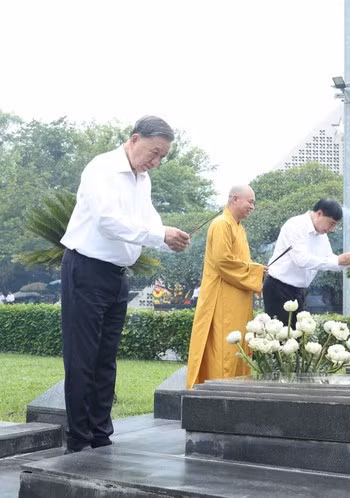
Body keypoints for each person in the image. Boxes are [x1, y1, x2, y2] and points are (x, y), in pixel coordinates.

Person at [60, 116, 190, 454]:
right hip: (86, 269)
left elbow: (148, 220)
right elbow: (107, 221)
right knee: (82, 357)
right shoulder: (101, 168)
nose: (156, 161)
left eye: (162, 156)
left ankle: (100, 432)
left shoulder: (141, 179)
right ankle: (78, 438)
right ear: (134, 140)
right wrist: (159, 235)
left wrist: (168, 238)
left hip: (116, 275)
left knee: (106, 358)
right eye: (154, 152)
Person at [186, 185, 266, 389]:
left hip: (238, 297)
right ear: (235, 199)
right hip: (223, 298)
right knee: (225, 350)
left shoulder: (238, 227)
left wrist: (256, 273)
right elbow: (223, 262)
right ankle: (220, 393)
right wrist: (255, 272)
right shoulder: (221, 224)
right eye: (250, 201)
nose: (253, 207)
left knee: (239, 348)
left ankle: (237, 391)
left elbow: (240, 261)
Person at [263, 198, 350, 328]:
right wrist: (337, 260)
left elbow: (330, 259)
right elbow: (301, 260)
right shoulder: (295, 225)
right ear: (319, 213)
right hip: (278, 287)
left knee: (297, 337)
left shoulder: (321, 235)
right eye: (331, 223)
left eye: (335, 225)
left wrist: (347, 260)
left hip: (299, 291)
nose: (332, 229)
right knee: (281, 337)